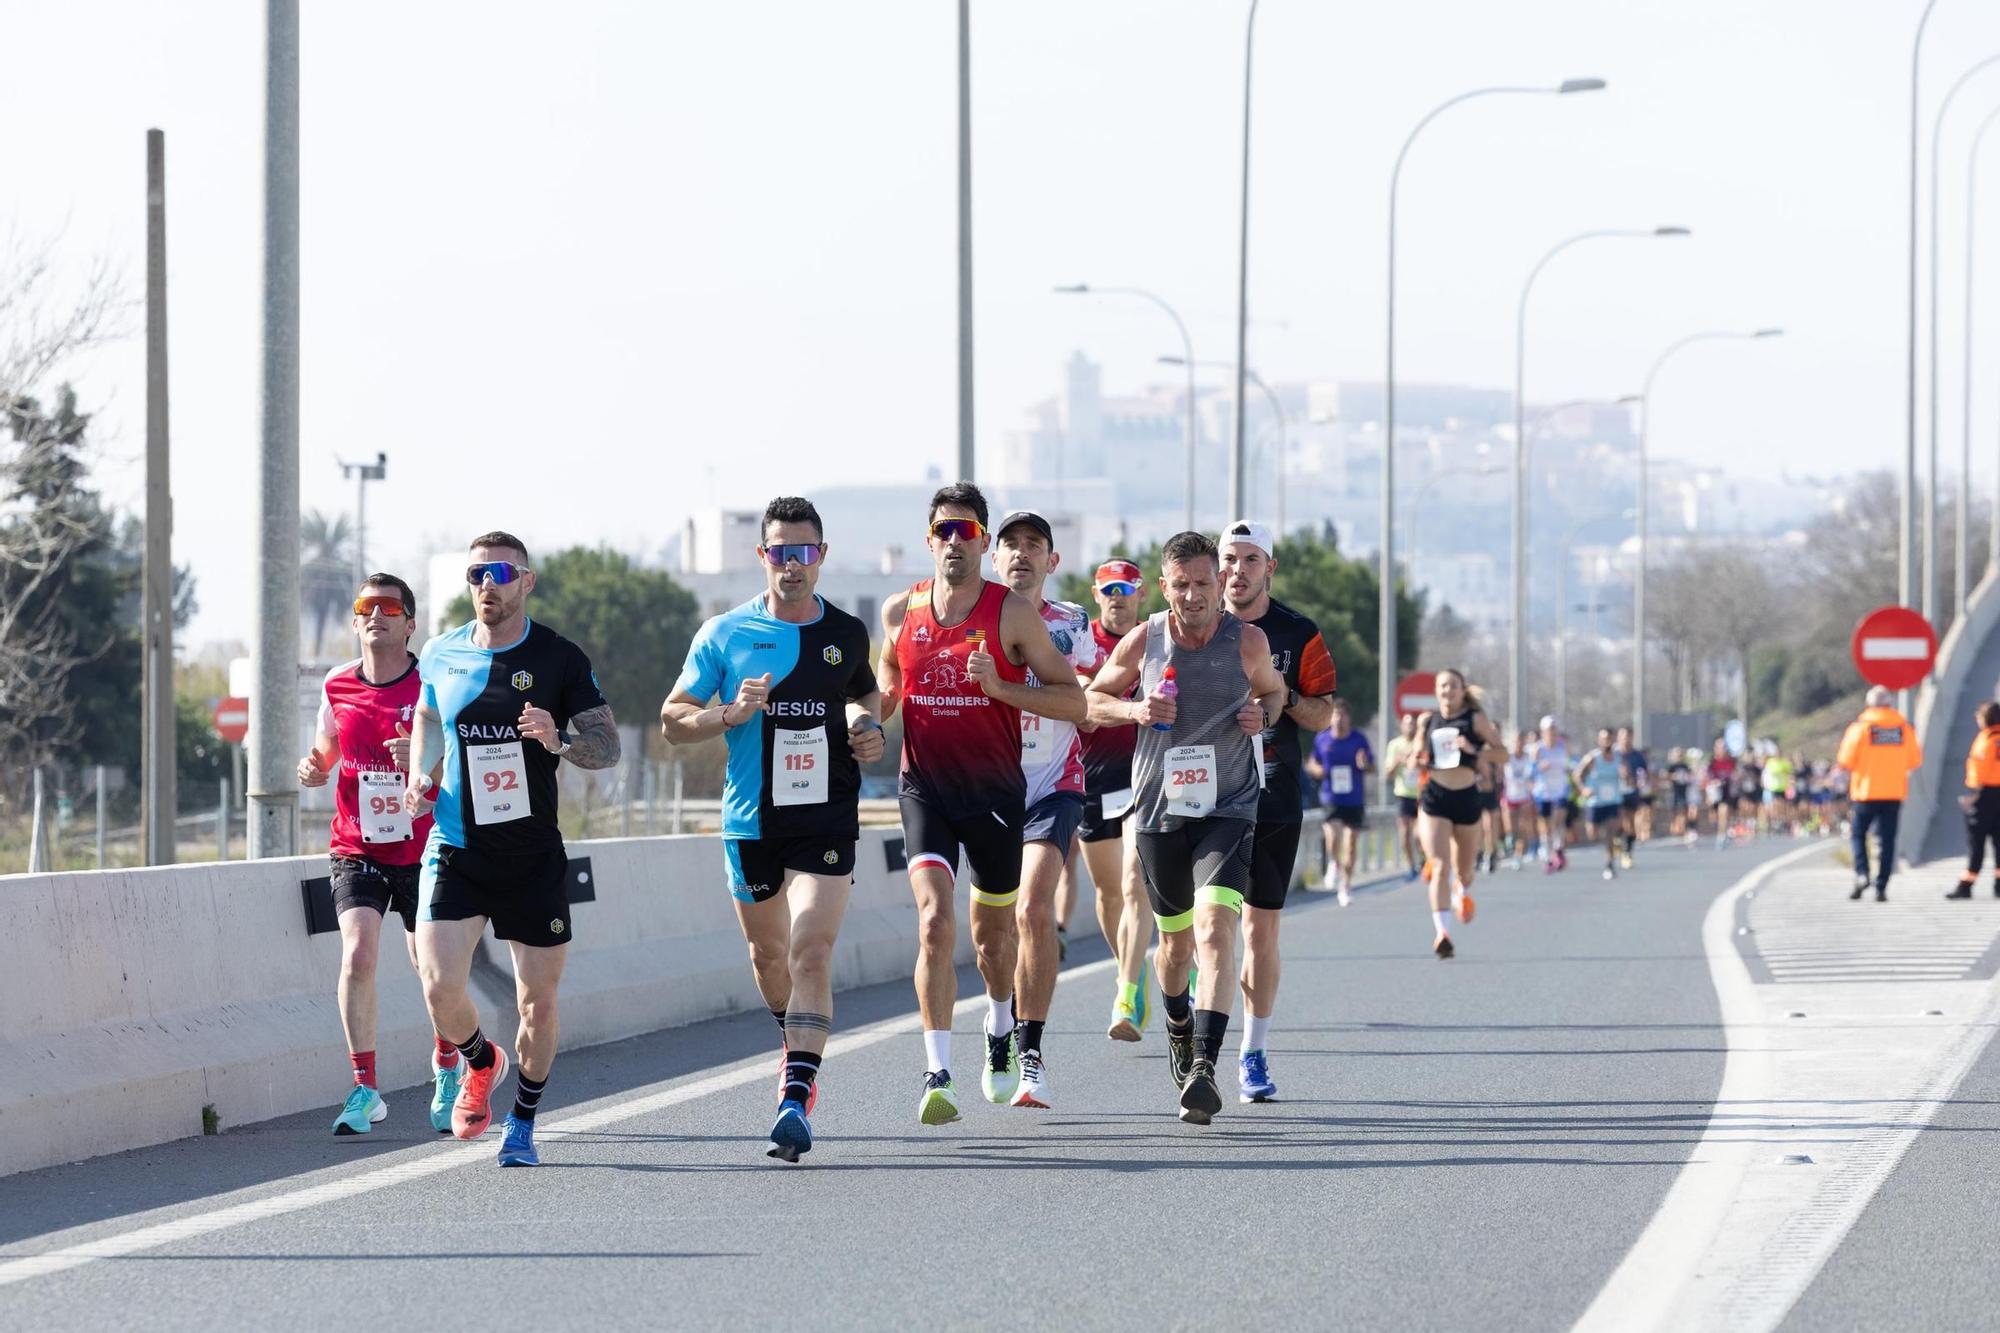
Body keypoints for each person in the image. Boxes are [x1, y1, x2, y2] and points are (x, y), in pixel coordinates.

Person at [661, 496, 882, 1161]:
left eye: (804, 551)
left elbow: (863, 693)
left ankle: (796, 1093)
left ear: (821, 556)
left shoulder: (846, 631)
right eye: (781, 552)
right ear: (764, 556)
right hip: (751, 819)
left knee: (811, 948)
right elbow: (674, 719)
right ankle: (797, 1039)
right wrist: (730, 712)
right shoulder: (725, 633)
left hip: (826, 815)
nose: (793, 564)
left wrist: (866, 728)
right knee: (768, 956)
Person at [402, 532, 622, 1167]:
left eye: (499, 573)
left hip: (531, 857)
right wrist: (423, 772)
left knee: (537, 1001)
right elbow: (426, 718)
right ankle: (481, 1060)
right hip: (456, 844)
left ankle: (523, 1121)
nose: (486, 585)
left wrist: (558, 741)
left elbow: (607, 749)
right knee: (439, 985)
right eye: (476, 575)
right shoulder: (442, 652)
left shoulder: (558, 658)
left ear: (526, 581)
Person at [876, 482, 1087, 1125]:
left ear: (980, 541)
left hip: (998, 793)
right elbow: (885, 681)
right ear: (929, 538)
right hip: (926, 790)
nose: (954, 542)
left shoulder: (1010, 615)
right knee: (936, 922)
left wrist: (998, 687)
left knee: (996, 938)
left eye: (966, 531)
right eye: (944, 530)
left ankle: (1001, 1027)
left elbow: (1073, 702)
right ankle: (937, 1071)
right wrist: (868, 718)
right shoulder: (899, 609)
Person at [1086, 531, 1286, 1124]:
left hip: (1229, 806)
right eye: (1182, 585)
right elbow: (1091, 700)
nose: (1195, 595)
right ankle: (1177, 1024)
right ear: (1165, 585)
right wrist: (1135, 710)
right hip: (1158, 811)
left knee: (1215, 929)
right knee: (1171, 949)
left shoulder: (1247, 639)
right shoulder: (1144, 639)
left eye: (1205, 583)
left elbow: (1275, 695)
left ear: (1220, 583)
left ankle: (1204, 1066)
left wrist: (1261, 715)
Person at [298, 572, 454, 1137]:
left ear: (410, 624)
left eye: (390, 607)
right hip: (357, 844)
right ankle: (365, 1089)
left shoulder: (431, 687)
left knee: (431, 969)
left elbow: (460, 764)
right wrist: (313, 769)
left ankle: (446, 1065)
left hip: (425, 844)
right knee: (357, 957)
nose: (376, 615)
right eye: (366, 606)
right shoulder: (337, 684)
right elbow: (324, 753)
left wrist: (420, 762)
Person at [1217, 520, 1338, 1104]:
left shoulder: (1297, 631)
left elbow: (1323, 716)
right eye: (1228, 560)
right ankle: (1199, 1024)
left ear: (1270, 567)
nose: (1236, 571)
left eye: (1249, 560)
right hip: (1203, 797)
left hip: (1272, 793)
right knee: (1206, 927)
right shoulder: (1190, 625)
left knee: (1258, 930)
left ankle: (1252, 1051)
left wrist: (1281, 695)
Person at [989, 509, 1102, 1108]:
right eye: (1010, 544)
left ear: (1051, 562)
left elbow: (1082, 701)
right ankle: (1000, 1021)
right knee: (995, 928)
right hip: (987, 785)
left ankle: (1030, 1052)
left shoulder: (1072, 623)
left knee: (1035, 910)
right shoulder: (971, 617)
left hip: (1055, 782)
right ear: (994, 556)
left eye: (1035, 545)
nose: (1022, 554)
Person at [1077, 558, 1154, 1042]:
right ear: (1096, 593)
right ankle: (1134, 965)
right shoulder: (1079, 640)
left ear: (1141, 594)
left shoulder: (1154, 638)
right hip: (1090, 778)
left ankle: (1125, 994)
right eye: (1109, 589)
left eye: (1126, 588)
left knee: (1133, 884)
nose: (1118, 597)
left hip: (1141, 775)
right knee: (1107, 895)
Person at [1414, 669, 1505, 957]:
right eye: (1443, 686)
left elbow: (1502, 753)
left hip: (1466, 798)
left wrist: (1474, 751)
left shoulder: (1474, 720)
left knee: (1465, 872)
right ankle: (1442, 933)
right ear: (1436, 690)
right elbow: (1417, 756)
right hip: (1436, 797)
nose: (1447, 691)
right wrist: (1417, 757)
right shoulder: (1427, 720)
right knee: (1440, 865)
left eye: (1453, 686)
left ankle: (1460, 890)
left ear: (1462, 690)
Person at [1834, 685, 1924, 901]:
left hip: (1865, 792)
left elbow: (1845, 760)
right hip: (1893, 792)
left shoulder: (1860, 728)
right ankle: (1881, 885)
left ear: (1869, 704)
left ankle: (1862, 874)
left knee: (1858, 834)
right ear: (1889, 704)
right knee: (1887, 839)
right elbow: (1915, 760)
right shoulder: (1903, 728)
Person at [1305, 699, 1371, 905]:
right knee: (1333, 836)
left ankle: (1346, 885)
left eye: (1343, 715)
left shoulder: (1359, 739)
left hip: (1354, 798)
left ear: (1349, 718)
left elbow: (1371, 767)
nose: (1339, 719)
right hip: (1330, 796)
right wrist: (1317, 770)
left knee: (1350, 845)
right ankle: (1334, 861)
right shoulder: (1322, 739)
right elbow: (1312, 763)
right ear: (1330, 717)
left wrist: (1364, 764)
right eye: (1335, 715)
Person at [1951, 701, 2000, 900]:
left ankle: (1967, 884)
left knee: (1976, 843)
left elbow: (1979, 771)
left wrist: (1973, 798)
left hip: (1985, 796)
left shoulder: (1985, 741)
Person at [1576, 728, 1626, 880]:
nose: (1607, 742)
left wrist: (1627, 775)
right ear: (1599, 740)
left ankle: (1610, 864)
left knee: (1609, 833)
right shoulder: (1592, 758)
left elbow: (1627, 775)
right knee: (1593, 835)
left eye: (1609, 739)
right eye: (1603, 739)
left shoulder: (1619, 758)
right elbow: (1577, 774)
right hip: (1595, 801)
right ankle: (1613, 845)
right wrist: (1583, 789)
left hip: (1612, 801)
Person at [1382, 713, 1424, 880]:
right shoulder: (1395, 745)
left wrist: (1415, 761)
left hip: (1421, 794)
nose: (1411, 727)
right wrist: (1399, 761)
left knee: (1419, 834)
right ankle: (1411, 865)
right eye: (1408, 724)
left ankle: (1423, 859)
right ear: (1402, 726)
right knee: (1404, 833)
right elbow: (1387, 774)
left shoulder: (1421, 743)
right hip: (1403, 794)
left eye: (1414, 724)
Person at [1530, 717, 1572, 872]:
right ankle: (1547, 856)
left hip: (1560, 789)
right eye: (1549, 730)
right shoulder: (1538, 749)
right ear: (1543, 732)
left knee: (1558, 820)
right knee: (1546, 826)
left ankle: (1558, 849)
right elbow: (1531, 770)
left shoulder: (1563, 746)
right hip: (1543, 791)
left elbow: (1571, 762)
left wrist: (1570, 768)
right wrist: (1540, 766)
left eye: (1554, 729)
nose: (1552, 733)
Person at [1502, 731, 1537, 869]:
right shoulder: (1507, 757)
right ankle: (1510, 840)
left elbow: (1533, 775)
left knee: (1522, 826)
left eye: (1521, 742)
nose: (1519, 744)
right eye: (1516, 742)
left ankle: (1518, 855)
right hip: (1510, 795)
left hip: (1524, 797)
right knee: (1511, 829)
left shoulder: (1529, 757)